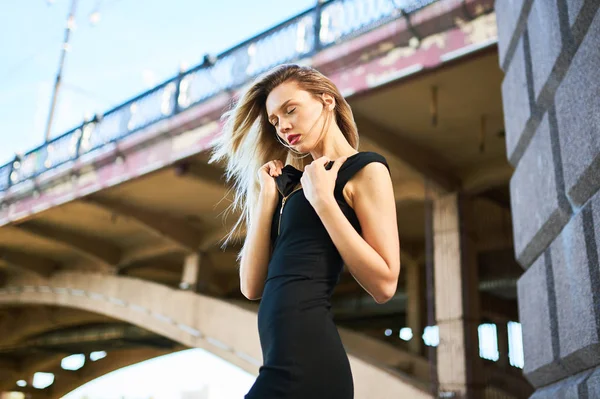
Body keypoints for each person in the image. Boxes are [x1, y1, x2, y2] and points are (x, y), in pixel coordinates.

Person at [209, 64, 400, 398]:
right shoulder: (296, 186)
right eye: (274, 121)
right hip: (282, 361)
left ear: (326, 100)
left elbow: (385, 284)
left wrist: (324, 202)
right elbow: (252, 286)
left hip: (308, 364)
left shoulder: (366, 169)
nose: (283, 126)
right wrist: (268, 199)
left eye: (290, 110)